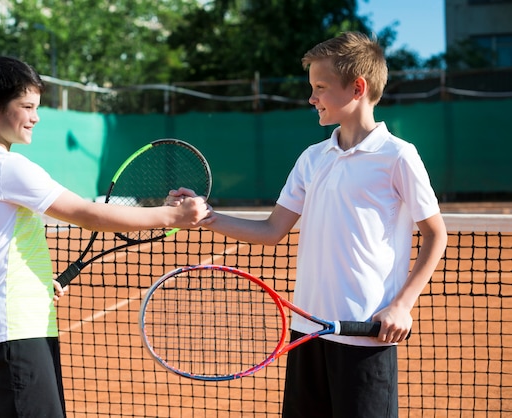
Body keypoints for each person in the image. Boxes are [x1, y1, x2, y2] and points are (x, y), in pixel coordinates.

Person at [169, 32, 447, 418]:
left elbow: (436, 234)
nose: (311, 98)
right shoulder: (312, 158)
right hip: (306, 331)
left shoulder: (398, 156)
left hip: (363, 334)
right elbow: (271, 231)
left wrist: (402, 305)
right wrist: (208, 217)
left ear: (357, 88)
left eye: (320, 87)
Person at [0, 55, 212, 418]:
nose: (36, 117)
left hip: (16, 324)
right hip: (17, 328)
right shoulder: (7, 166)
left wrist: (33, 282)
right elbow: (87, 215)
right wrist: (172, 215)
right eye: (27, 106)